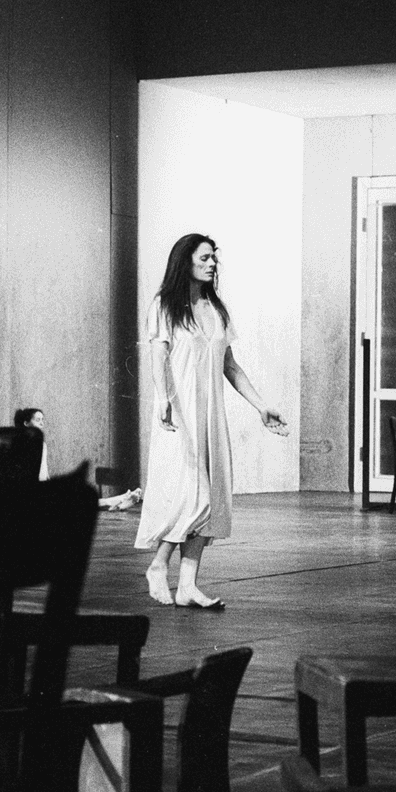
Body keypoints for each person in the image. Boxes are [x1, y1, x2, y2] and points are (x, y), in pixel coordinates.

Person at [136, 233, 287, 609]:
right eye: (204, 257)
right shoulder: (164, 306)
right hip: (179, 413)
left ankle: (188, 584)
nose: (212, 263)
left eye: (214, 258)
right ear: (184, 261)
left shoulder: (216, 309)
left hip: (211, 416)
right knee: (193, 495)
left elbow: (230, 366)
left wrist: (260, 406)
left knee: (212, 497)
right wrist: (163, 399)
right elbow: (158, 356)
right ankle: (158, 565)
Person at [13, 408, 48, 481]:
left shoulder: (42, 444)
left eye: (42, 420)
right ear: (26, 423)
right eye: (38, 420)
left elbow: (43, 466)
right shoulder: (18, 444)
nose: (42, 423)